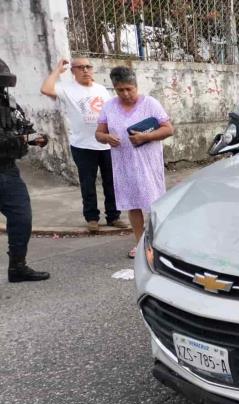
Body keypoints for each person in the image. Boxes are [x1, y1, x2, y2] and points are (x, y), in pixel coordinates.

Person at [40, 58, 128, 233]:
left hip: (106, 144)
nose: (86, 70)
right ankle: (92, 218)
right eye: (80, 67)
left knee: (111, 182)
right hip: (82, 145)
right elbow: (46, 89)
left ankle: (113, 216)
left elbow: (112, 112)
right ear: (73, 71)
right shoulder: (67, 89)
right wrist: (58, 70)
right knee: (88, 183)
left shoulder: (101, 89)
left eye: (88, 67)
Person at [94, 66, 173, 258]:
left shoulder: (151, 104)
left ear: (136, 86)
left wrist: (146, 137)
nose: (126, 93)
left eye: (129, 88)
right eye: (120, 90)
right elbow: (98, 133)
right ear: (114, 89)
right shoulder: (109, 107)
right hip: (123, 164)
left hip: (148, 164)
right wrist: (106, 138)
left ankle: (158, 243)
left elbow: (168, 129)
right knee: (133, 204)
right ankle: (140, 243)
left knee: (154, 204)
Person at [0, 58, 50, 282]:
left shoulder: (9, 104)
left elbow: (25, 128)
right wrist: (21, 138)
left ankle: (17, 267)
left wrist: (35, 138)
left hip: (7, 169)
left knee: (22, 217)